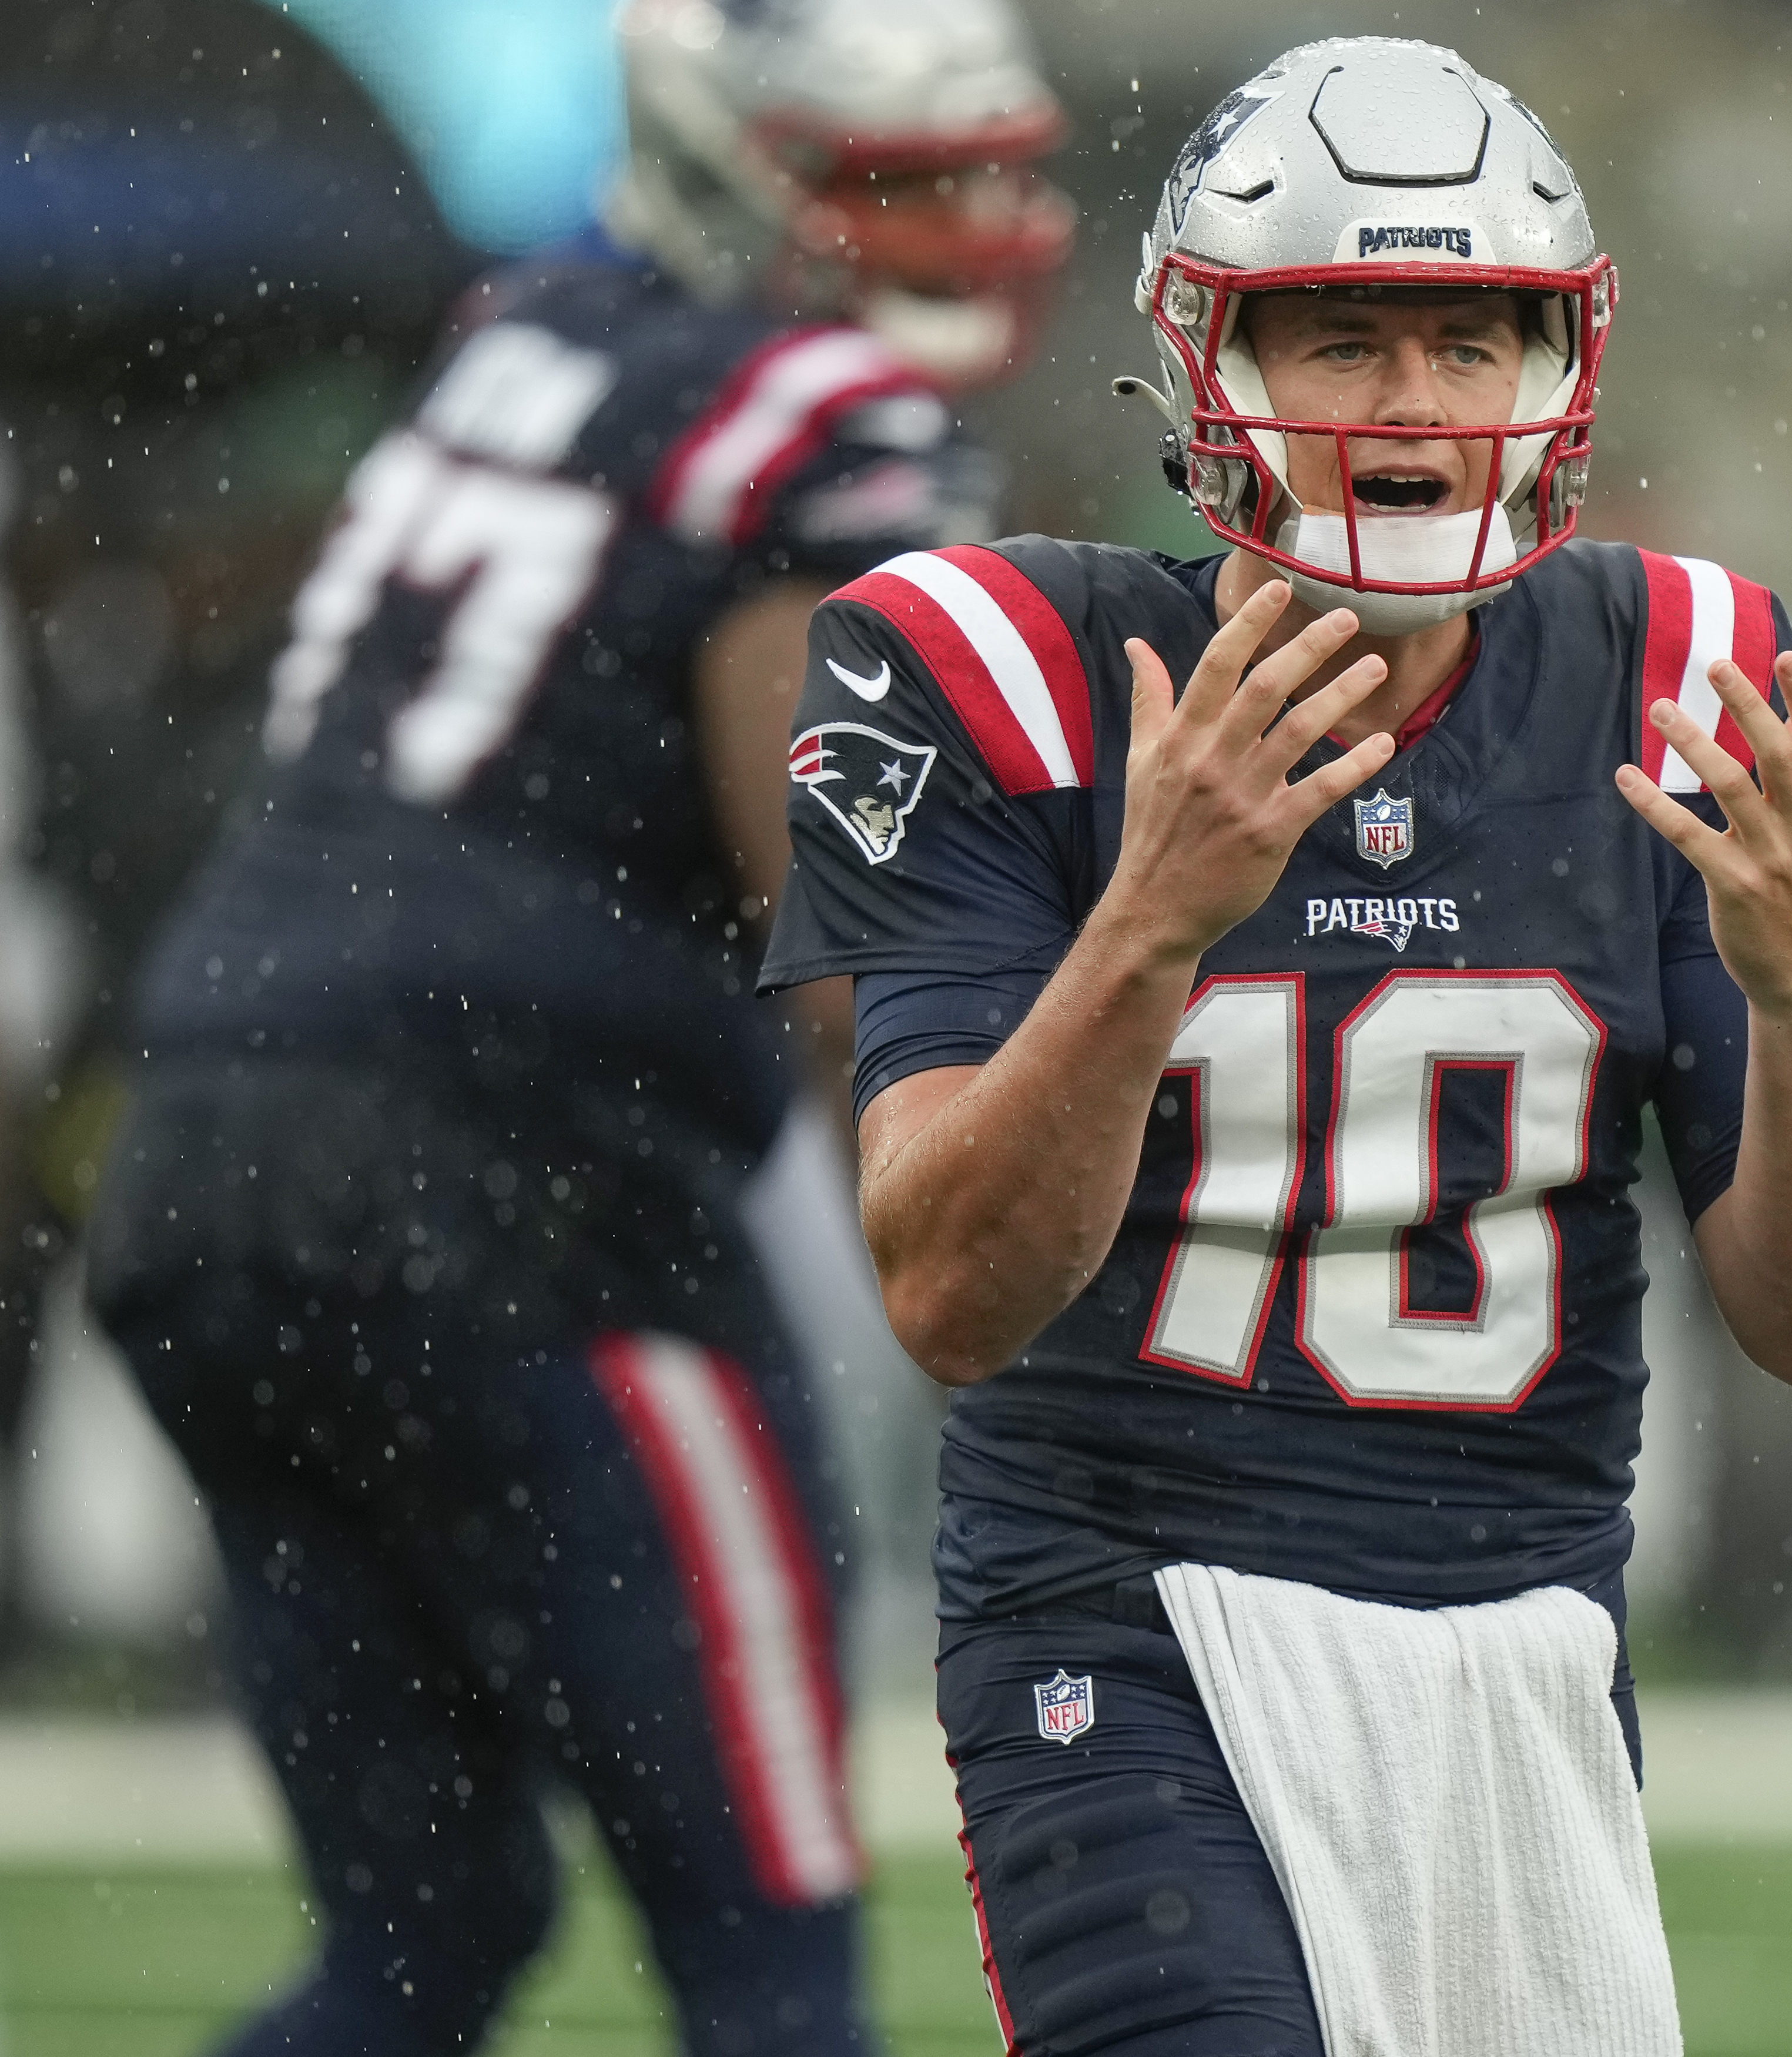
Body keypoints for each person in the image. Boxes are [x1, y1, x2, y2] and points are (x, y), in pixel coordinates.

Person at [756, 37, 1792, 2053]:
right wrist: (1153, 915)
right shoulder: (999, 669)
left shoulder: (1678, 670)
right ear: (1213, 367)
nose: (1410, 407)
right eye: (1341, 339)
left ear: (1557, 369)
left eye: (1470, 342)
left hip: (1525, 1649)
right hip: (1127, 1633)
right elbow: (945, 1284)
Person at [79, 1, 1070, 2048]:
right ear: (748, 170)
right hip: (518, 1178)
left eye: (993, 167)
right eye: (908, 180)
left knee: (420, 1937)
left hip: (212, 1148)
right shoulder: (819, 419)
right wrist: (997, 1221)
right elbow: (834, 903)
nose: (980, 223)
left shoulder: (528, 337)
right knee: (767, 1958)